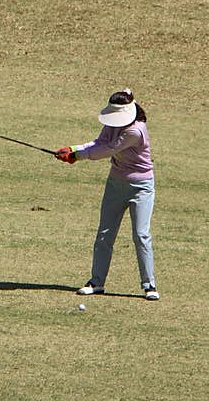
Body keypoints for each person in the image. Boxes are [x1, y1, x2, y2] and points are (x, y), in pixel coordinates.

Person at [55, 88, 159, 300]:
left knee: (141, 235)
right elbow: (98, 143)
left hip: (141, 187)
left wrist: (76, 156)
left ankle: (149, 285)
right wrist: (72, 148)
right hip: (115, 184)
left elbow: (109, 150)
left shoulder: (135, 131)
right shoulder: (112, 123)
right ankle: (97, 282)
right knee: (104, 234)